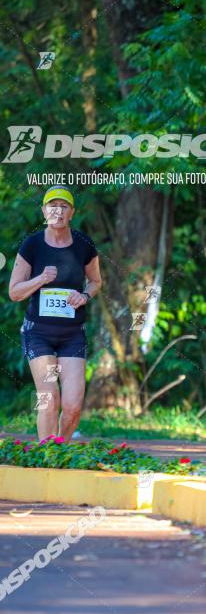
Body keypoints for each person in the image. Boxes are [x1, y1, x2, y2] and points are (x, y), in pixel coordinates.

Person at [9, 186, 101, 442]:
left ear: (71, 212)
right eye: (52, 206)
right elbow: (14, 292)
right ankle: (44, 455)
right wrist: (40, 279)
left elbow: (95, 282)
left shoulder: (84, 245)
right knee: (49, 399)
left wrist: (84, 296)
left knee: (72, 407)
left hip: (72, 336)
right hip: (39, 334)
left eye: (63, 207)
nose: (57, 211)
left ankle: (60, 450)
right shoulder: (32, 245)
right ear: (43, 211)